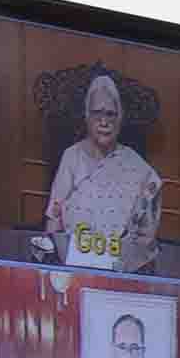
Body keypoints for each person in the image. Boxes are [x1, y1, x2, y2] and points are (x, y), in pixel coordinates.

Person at [43, 74, 161, 268]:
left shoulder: (138, 169)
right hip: (73, 263)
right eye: (97, 113)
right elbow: (54, 220)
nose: (104, 121)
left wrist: (124, 267)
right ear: (87, 117)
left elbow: (145, 238)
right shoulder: (71, 157)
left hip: (120, 267)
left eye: (110, 114)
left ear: (120, 118)